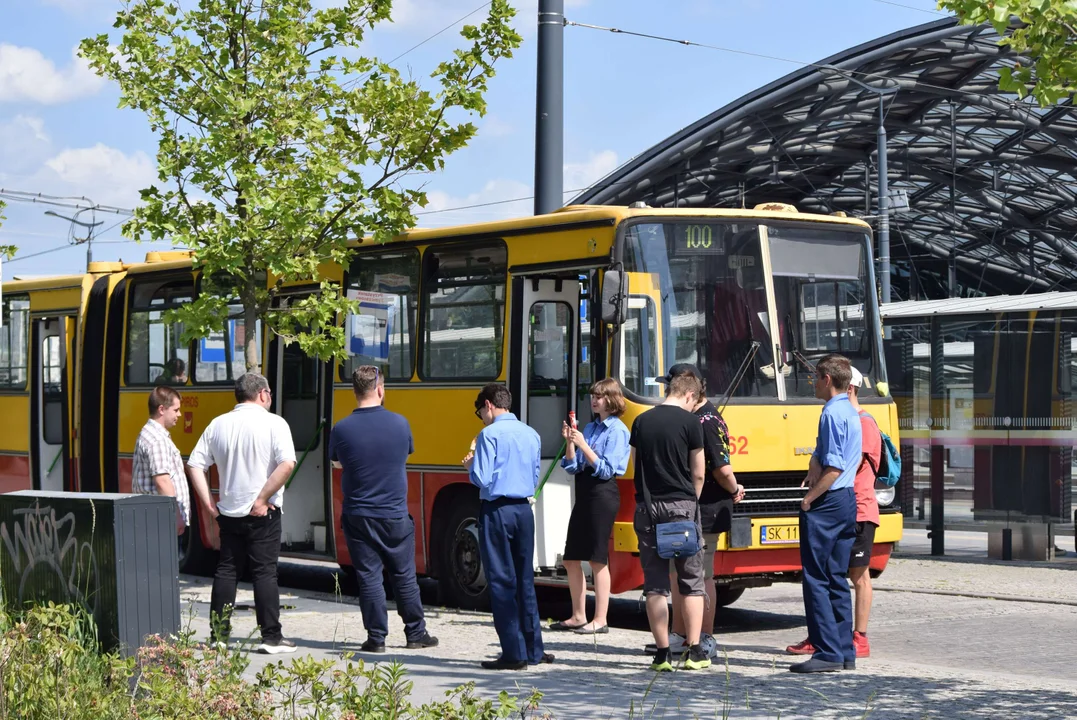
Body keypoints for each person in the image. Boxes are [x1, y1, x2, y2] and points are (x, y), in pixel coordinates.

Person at [187, 373, 298, 654]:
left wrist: (209, 505)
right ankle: (271, 637)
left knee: (227, 571)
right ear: (262, 394)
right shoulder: (275, 423)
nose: (270, 397)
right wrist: (261, 498)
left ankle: (219, 636)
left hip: (229, 512)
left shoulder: (218, 424)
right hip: (264, 513)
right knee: (264, 573)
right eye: (269, 392)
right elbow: (287, 464)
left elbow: (194, 464)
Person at [329, 366, 437, 653]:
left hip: (358, 515)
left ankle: (376, 638)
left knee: (369, 576)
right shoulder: (400, 424)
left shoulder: (341, 429)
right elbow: (405, 455)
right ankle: (416, 633)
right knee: (403, 575)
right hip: (395, 514)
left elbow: (337, 463)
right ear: (379, 389)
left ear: (354, 391)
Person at [786, 366, 879, 660]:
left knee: (816, 577)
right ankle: (843, 651)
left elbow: (835, 467)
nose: (813, 383)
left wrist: (808, 499)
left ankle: (826, 651)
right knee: (837, 576)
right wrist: (816, 457)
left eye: (816, 378)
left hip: (829, 500)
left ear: (827, 380)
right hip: (849, 499)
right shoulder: (853, 413)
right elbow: (832, 454)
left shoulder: (830, 413)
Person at [657, 366, 745, 658]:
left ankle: (704, 638)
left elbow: (721, 467)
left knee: (701, 575)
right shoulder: (693, 417)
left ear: (688, 389)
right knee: (679, 574)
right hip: (690, 507)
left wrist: (734, 490)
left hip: (705, 507)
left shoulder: (707, 420)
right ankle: (681, 635)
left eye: (671, 387)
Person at [463, 383, 551, 670]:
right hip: (523, 510)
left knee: (501, 581)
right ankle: (533, 649)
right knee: (525, 580)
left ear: (489, 405)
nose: (482, 419)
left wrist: (470, 466)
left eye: (480, 413)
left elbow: (484, 479)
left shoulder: (488, 435)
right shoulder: (531, 433)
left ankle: (513, 653)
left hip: (497, 510)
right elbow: (535, 474)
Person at [630, 368, 709, 672]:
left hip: (648, 508)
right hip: (682, 505)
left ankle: (662, 653)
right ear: (689, 394)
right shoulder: (691, 422)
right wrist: (692, 502)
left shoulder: (641, 421)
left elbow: (636, 465)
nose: (693, 406)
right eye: (694, 400)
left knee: (655, 585)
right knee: (691, 580)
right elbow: (698, 471)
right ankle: (694, 650)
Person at [548, 378, 631, 635]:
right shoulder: (591, 427)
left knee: (597, 559)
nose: (594, 400)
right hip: (584, 493)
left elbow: (607, 469)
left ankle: (601, 618)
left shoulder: (617, 430)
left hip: (603, 494)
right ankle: (578, 615)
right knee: (572, 558)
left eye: (600, 396)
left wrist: (583, 443)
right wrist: (571, 442)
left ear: (612, 400)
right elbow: (573, 467)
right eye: (593, 395)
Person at [132, 386, 191, 536]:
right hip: (161, 521)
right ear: (162, 409)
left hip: (152, 517)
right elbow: (162, 481)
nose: (179, 414)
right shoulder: (158, 440)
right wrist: (175, 515)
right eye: (176, 410)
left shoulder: (147, 433)